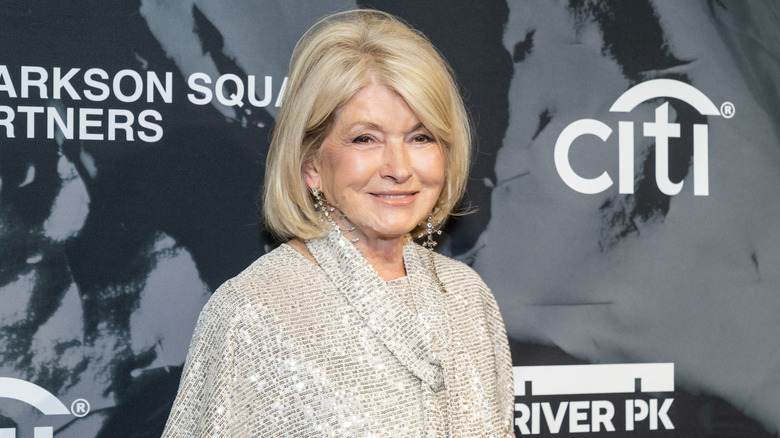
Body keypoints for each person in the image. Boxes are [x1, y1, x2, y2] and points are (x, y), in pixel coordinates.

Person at [162, 9, 513, 437]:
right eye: (366, 138)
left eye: (421, 137)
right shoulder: (252, 312)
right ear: (311, 164)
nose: (399, 168)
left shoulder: (467, 295)